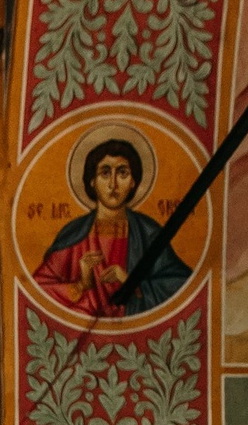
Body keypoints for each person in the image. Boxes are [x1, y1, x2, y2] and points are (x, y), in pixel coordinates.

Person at [32, 137, 191, 320]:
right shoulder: (74, 234)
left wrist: (131, 283)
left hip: (132, 327)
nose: (113, 184)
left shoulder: (147, 233)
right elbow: (37, 288)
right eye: (105, 173)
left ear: (133, 181)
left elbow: (181, 283)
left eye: (122, 173)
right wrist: (81, 285)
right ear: (92, 181)